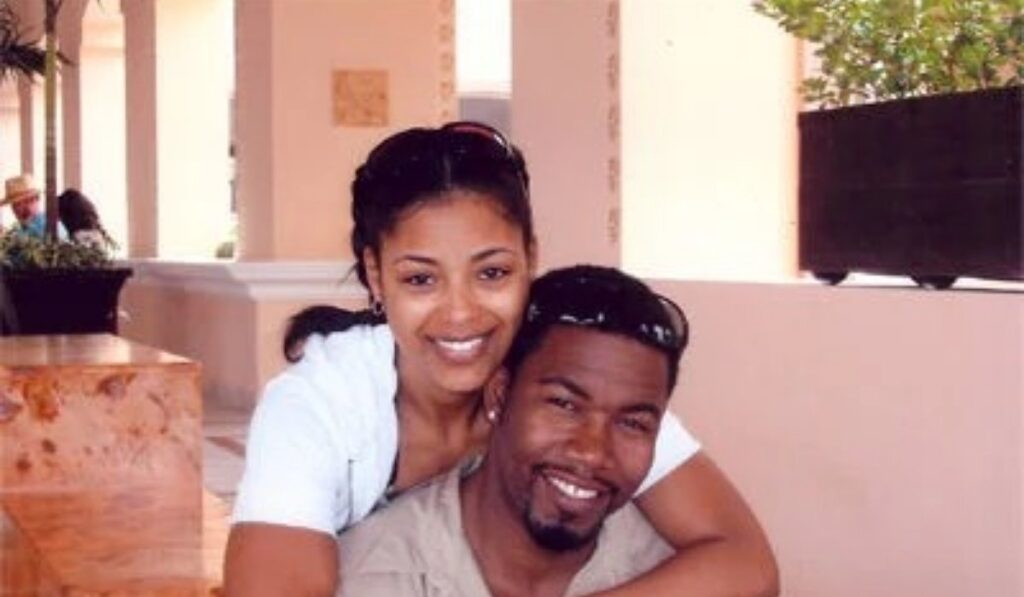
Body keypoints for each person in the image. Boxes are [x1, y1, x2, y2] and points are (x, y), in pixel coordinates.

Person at [224, 122, 778, 596]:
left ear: (530, 259)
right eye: (420, 280)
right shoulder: (320, 405)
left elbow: (744, 560)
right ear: (375, 274)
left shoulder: (561, 371)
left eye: (492, 273)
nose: (461, 313)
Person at [339, 266, 696, 596]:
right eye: (564, 405)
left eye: (633, 423)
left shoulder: (674, 569)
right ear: (499, 396)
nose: (592, 452)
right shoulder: (373, 577)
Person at [0, 174, 67, 240]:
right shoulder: (21, 229)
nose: (19, 209)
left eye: (27, 201)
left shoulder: (49, 226)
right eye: (15, 205)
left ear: (37, 199)